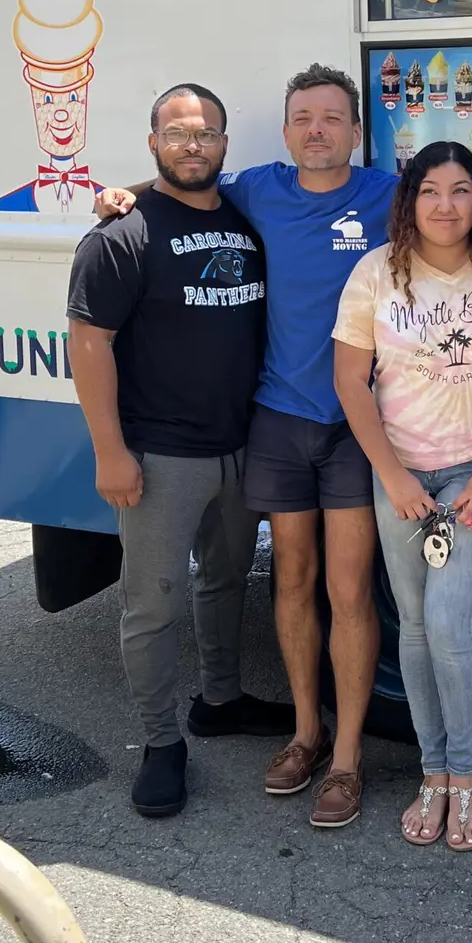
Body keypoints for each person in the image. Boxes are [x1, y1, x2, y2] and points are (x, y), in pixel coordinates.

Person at [96, 63, 397, 830]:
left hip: (359, 427)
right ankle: (301, 736)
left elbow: (468, 211)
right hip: (276, 423)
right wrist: (123, 190)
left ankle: (346, 759)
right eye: (303, 117)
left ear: (356, 131)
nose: (318, 129)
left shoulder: (391, 195)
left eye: (333, 117)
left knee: (348, 592)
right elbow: (179, 183)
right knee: (288, 581)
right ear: (287, 130)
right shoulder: (257, 190)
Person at [67, 83, 294, 819]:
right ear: (153, 142)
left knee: (226, 581)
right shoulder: (120, 236)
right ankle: (163, 743)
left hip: (241, 446)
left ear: (225, 146)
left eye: (205, 135)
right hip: (161, 455)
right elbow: (90, 343)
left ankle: (220, 700)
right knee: (152, 605)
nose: (191, 145)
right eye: (176, 134)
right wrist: (111, 450)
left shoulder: (244, 216)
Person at [332, 142, 472, 851]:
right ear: (409, 200)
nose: (445, 206)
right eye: (429, 192)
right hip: (399, 472)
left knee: (451, 618)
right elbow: (349, 383)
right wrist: (389, 475)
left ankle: (468, 772)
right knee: (414, 627)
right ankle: (432, 773)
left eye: (459, 191)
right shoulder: (375, 273)